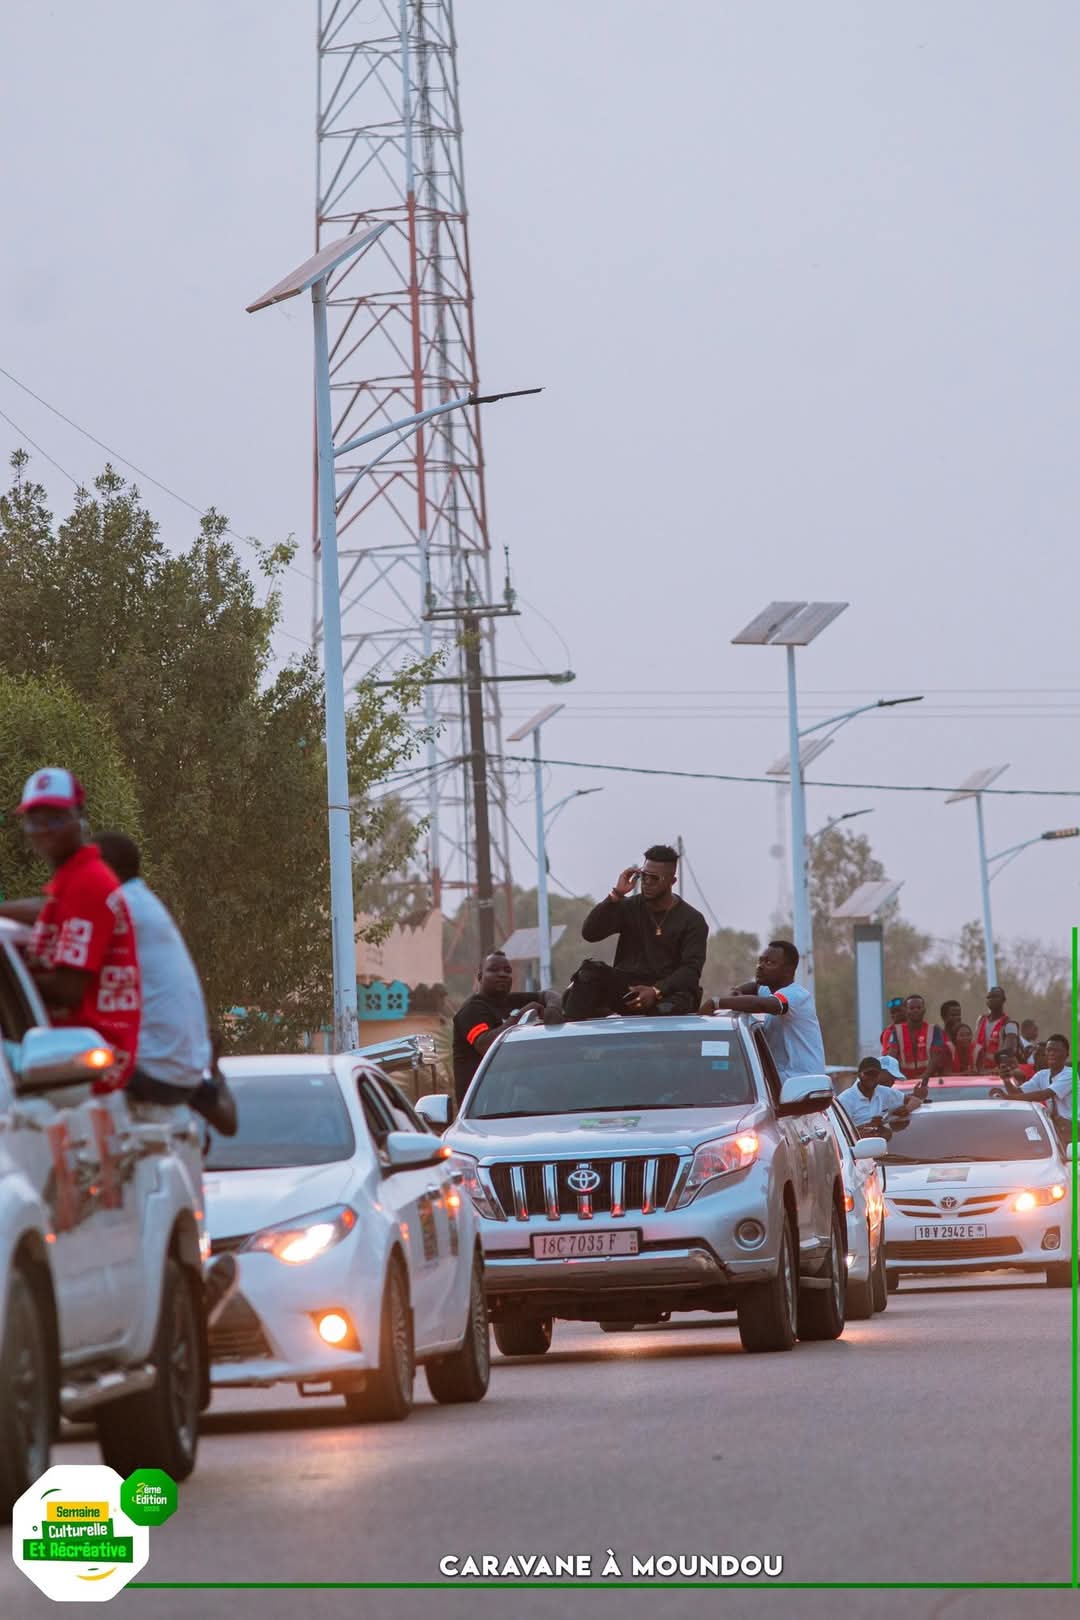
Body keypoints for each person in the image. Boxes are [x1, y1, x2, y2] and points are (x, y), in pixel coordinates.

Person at [0, 769, 141, 1091]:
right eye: (35, 821)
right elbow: (43, 911)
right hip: (71, 1062)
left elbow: (68, 989)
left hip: (88, 1070)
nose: (43, 830)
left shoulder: (87, 884)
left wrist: (10, 979)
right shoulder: (73, 882)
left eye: (56, 818)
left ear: (80, 818)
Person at [96, 833, 236, 1136]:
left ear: (106, 868)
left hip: (153, 1069)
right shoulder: (144, 902)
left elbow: (53, 916)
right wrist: (213, 1069)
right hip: (179, 1067)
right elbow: (229, 1123)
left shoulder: (121, 904)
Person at [560, 846, 707, 1021]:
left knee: (669, 1008)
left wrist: (656, 991)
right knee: (589, 972)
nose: (647, 882)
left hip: (668, 992)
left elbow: (691, 970)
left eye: (654, 878)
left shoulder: (692, 920)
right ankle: (569, 1029)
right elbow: (590, 933)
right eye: (644, 876)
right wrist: (616, 895)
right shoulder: (629, 907)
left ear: (671, 881)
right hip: (629, 990)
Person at [704, 940, 825, 1081]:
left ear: (788, 970)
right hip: (783, 1083)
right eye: (760, 961)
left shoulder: (796, 995)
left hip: (806, 1084)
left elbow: (762, 1005)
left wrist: (716, 1002)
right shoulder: (769, 990)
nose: (760, 966)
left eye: (769, 963)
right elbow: (755, 987)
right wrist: (737, 991)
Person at [452, 951, 557, 1107]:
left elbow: (549, 994)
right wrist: (519, 1016)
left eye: (507, 971)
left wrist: (553, 1009)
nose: (502, 974)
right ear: (480, 976)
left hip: (515, 1102)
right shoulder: (472, 1010)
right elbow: (486, 1046)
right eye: (493, 969)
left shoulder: (511, 1000)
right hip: (481, 1108)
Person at [1001, 1034, 1073, 1145]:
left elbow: (1043, 1095)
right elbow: (1018, 1092)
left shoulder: (1070, 1074)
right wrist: (1006, 1080)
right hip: (1056, 1127)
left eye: (1056, 1050)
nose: (1051, 1053)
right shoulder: (1042, 1075)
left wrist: (1008, 1098)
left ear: (1066, 1054)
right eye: (1049, 1050)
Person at [839, 1056, 924, 1133]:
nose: (892, 1082)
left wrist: (906, 1109)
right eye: (869, 1073)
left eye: (875, 1074)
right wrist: (870, 1127)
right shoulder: (845, 1099)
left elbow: (915, 1100)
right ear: (860, 1075)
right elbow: (842, 1133)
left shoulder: (885, 1093)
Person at [886, 994, 945, 1081]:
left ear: (924, 1010)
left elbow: (936, 1057)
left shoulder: (934, 1029)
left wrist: (925, 1076)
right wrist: (899, 1077)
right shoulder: (896, 1031)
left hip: (929, 1081)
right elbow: (892, 1056)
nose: (915, 1010)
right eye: (912, 1008)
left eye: (919, 1008)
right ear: (906, 1010)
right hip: (904, 1081)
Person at [973, 987, 1020, 1072]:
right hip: (979, 1070)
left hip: (998, 1071)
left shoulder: (1010, 1024)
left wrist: (992, 1058)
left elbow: (1009, 1050)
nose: (991, 999)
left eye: (995, 996)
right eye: (989, 997)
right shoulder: (980, 1020)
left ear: (1003, 1000)